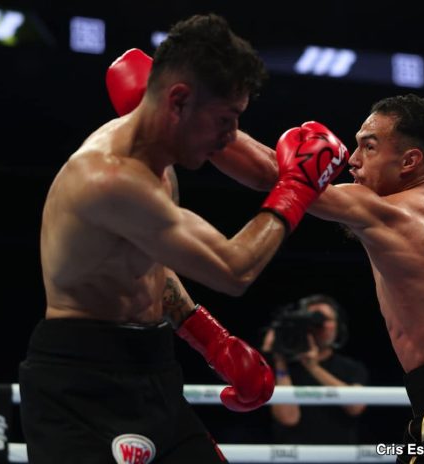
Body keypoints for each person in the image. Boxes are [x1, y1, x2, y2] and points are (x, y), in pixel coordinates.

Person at [103, 49, 424, 463]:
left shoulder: (385, 212)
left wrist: (175, 111)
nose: (352, 159)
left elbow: (275, 175)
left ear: (410, 160)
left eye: (369, 146)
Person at [18, 14, 348, 464]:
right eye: (226, 120)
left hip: (153, 365)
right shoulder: (109, 179)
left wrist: (212, 340)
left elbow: (147, 268)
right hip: (80, 384)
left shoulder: (159, 165)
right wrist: (297, 188)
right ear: (178, 100)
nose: (229, 138)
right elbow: (233, 269)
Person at [261, 294, 369, 444]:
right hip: (293, 453)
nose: (320, 326)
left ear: (338, 325)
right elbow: (288, 418)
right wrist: (279, 359)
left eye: (325, 319)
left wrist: (312, 367)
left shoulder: (351, 368)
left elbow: (356, 407)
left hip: (339, 453)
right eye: (312, 320)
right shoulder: (281, 369)